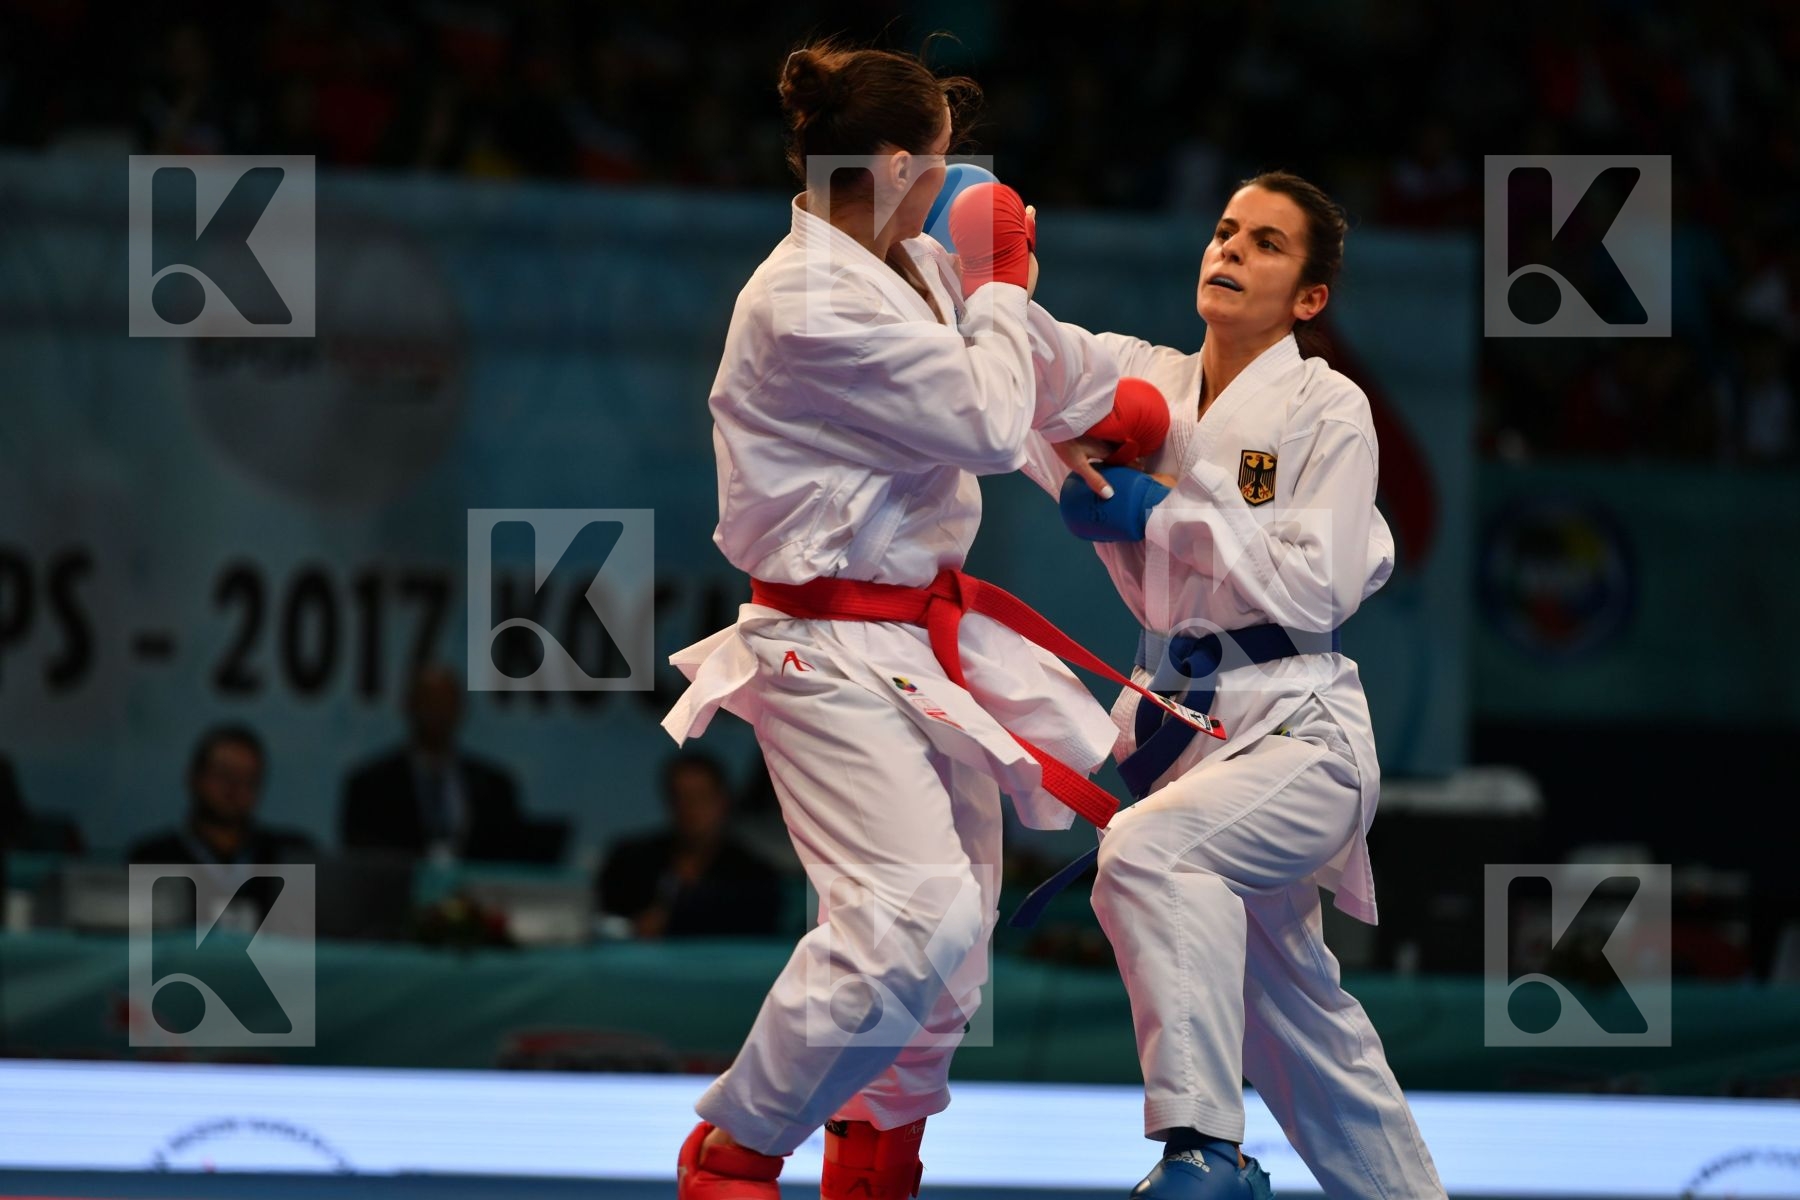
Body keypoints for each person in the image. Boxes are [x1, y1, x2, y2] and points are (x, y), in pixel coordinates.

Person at [660, 39, 1174, 1200]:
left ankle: (875, 1163)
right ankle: (733, 1153)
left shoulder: (912, 268)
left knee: (951, 964)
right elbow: (987, 422)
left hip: (919, 640)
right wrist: (1002, 289)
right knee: (914, 913)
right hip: (823, 645)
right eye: (943, 161)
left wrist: (1131, 414)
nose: (956, 181)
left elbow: (1026, 390)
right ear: (895, 161)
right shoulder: (801, 302)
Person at [1026, 173, 1446, 1198]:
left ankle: (1203, 1152)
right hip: (1185, 739)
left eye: (1265, 243)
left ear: (1309, 297)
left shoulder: (1325, 404)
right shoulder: (1144, 381)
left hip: (1301, 736)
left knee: (1148, 856)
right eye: (1223, 231)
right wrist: (989, 268)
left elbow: (1324, 579)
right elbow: (1024, 365)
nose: (1230, 251)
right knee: (1305, 1027)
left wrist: (1160, 512)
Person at [129, 725, 316, 925]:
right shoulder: (153, 858)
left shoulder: (290, 855)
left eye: (248, 780)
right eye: (223, 774)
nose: (234, 788)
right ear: (194, 778)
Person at [341, 664, 524, 861]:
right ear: (409, 706)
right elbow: (362, 859)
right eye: (428, 702)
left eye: (445, 703)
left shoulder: (495, 787)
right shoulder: (370, 786)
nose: (437, 712)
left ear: (461, 709)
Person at [598, 750, 784, 938]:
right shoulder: (630, 861)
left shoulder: (753, 873)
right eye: (681, 797)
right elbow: (605, 919)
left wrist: (674, 922)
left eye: (701, 797)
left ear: (723, 801)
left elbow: (755, 927)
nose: (690, 808)